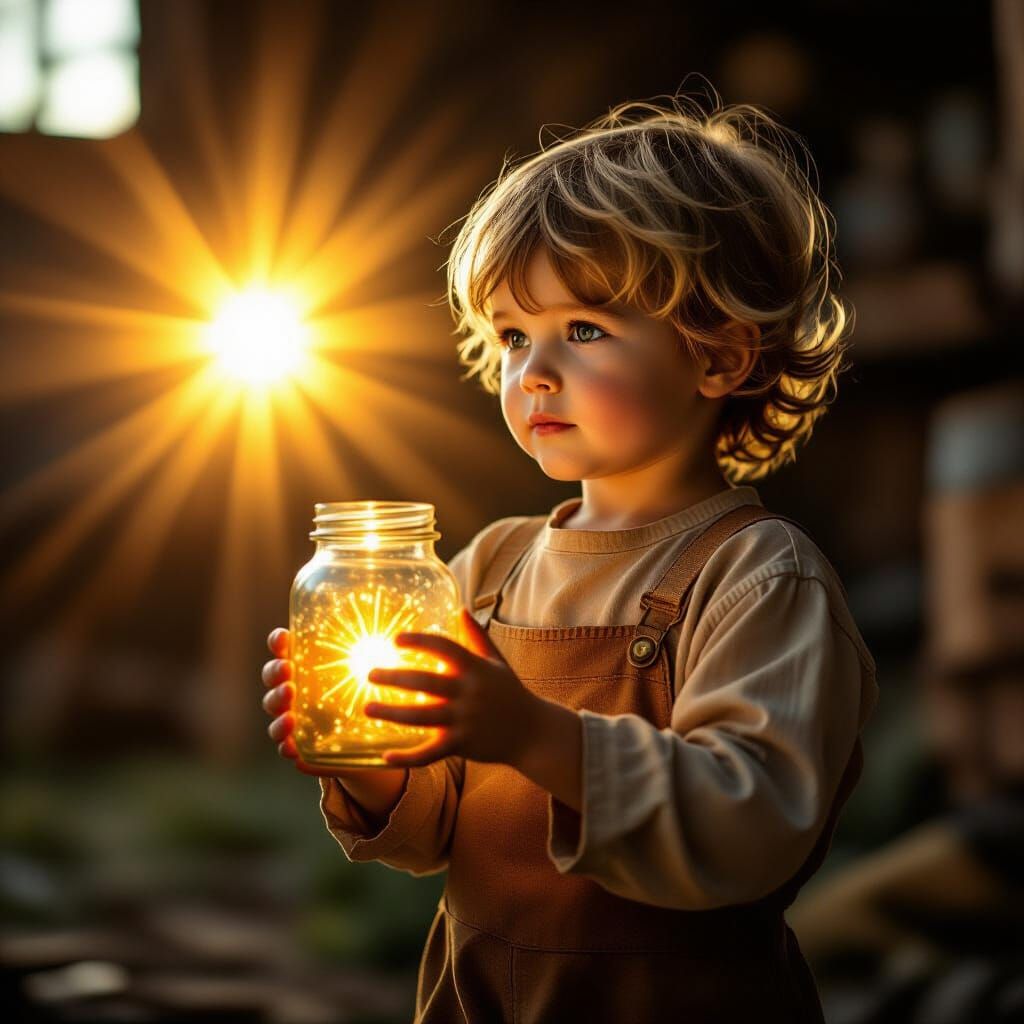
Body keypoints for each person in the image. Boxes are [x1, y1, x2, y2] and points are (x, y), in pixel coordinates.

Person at [261, 89, 879, 1023]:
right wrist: (370, 758)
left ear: (721, 354)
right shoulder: (487, 568)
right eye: (514, 335)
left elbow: (750, 824)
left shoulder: (758, 577)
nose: (533, 370)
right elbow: (433, 833)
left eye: (584, 329)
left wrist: (530, 733)